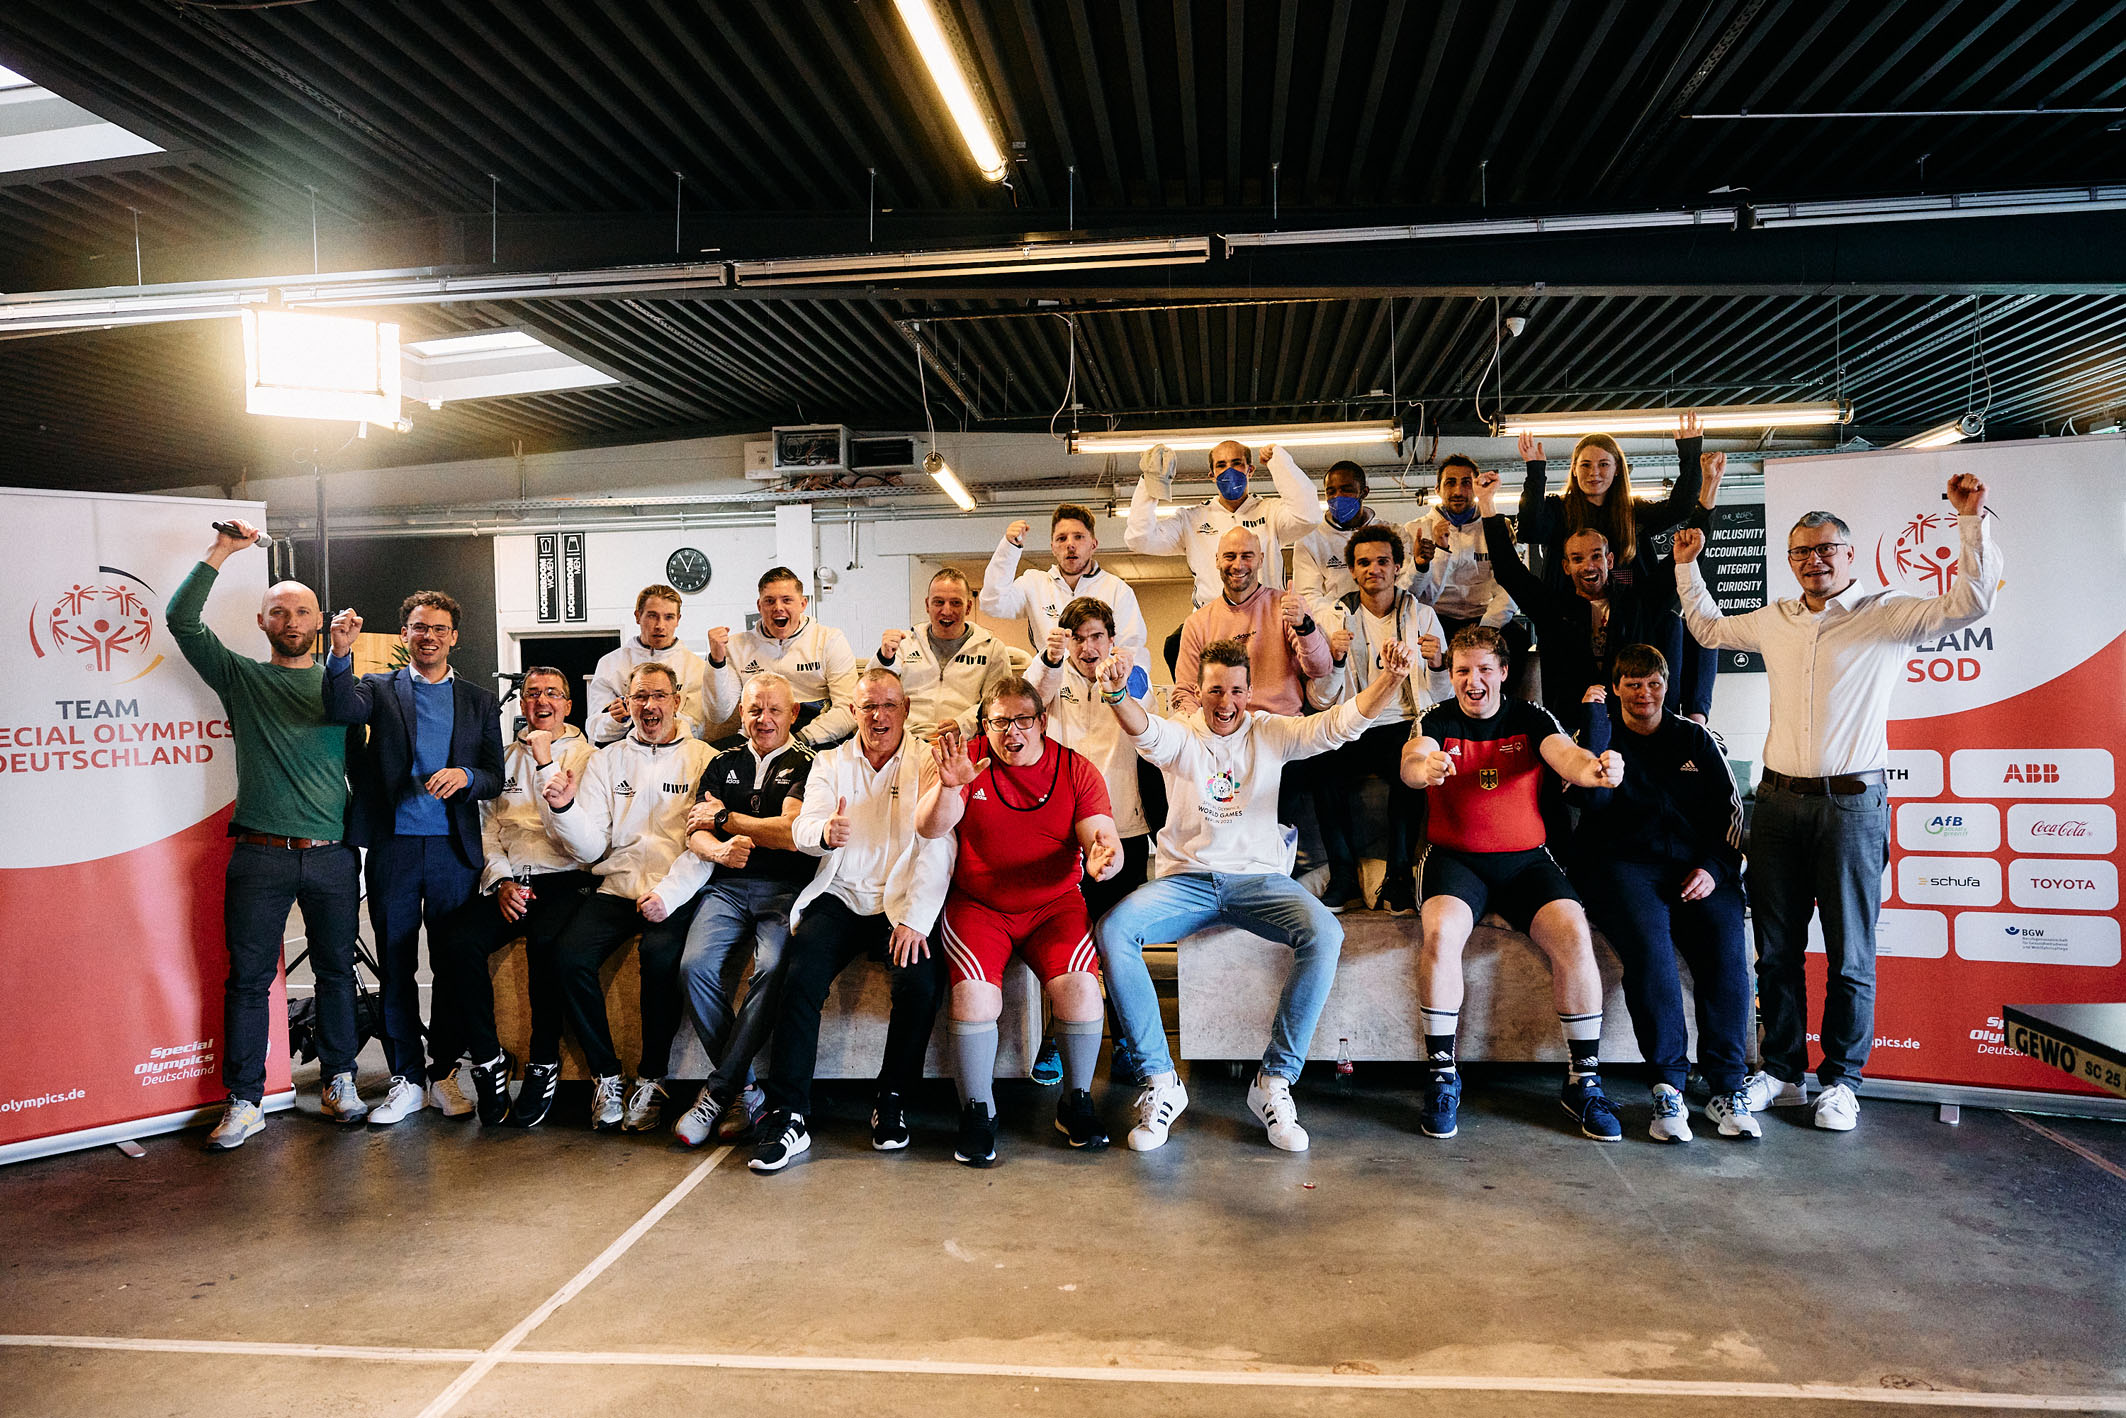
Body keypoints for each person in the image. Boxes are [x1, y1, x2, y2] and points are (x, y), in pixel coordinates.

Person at [1673, 472, 2000, 1132]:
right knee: (1776, 952)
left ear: (1849, 555)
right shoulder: (1777, 619)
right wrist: (1686, 566)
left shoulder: (1887, 612)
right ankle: (1783, 1072)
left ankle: (1843, 1081)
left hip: (1852, 807)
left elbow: (1970, 602)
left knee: (1850, 957)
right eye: (1801, 552)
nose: (1813, 561)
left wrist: (1971, 521)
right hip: (1776, 805)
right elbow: (1705, 629)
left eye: (1825, 549)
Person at [1097, 635, 1418, 1154]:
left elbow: (1336, 726)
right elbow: (1145, 730)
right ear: (1199, 692)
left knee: (1326, 933)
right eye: (1215, 690)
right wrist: (1117, 695)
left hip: (1259, 882)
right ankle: (1160, 1080)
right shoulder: (1183, 735)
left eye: (1235, 691)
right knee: (1114, 929)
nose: (1225, 703)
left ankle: (1274, 1081)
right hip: (1187, 882)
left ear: (1249, 693)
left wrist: (1390, 680)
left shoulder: (1269, 732)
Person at [166, 521, 364, 1150]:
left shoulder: (342, 687)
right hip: (259, 856)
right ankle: (245, 1099)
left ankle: (339, 1079)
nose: (291, 619)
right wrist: (221, 551)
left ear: (319, 620)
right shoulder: (242, 678)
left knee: (336, 974)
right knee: (249, 981)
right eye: (279, 611)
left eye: (302, 610)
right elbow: (182, 622)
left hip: (332, 857)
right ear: (262, 622)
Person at [1399, 625, 1627, 1144]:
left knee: (1574, 933)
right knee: (1441, 934)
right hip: (1454, 861)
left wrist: (1595, 770)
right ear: (1452, 675)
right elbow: (1412, 761)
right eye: (1462, 670)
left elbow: (1566, 755)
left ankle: (1584, 1082)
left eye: (1484, 669)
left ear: (1503, 672)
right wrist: (1425, 766)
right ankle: (1442, 1075)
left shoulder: (1531, 716)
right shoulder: (1436, 719)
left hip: (1526, 863)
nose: (1472, 680)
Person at [749, 669, 955, 1174]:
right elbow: (804, 825)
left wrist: (916, 921)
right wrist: (825, 832)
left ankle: (892, 1098)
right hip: (840, 895)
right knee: (798, 977)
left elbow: (939, 844)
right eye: (868, 707)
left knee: (922, 982)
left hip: (899, 901)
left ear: (906, 709)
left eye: (888, 706)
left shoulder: (928, 762)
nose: (878, 717)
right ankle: (790, 1113)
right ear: (854, 712)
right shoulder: (830, 761)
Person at [916, 680, 1124, 1165]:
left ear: (1042, 722)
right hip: (980, 906)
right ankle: (978, 1112)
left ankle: (1076, 1102)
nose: (1012, 732)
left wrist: (1105, 858)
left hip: (1054, 905)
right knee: (974, 997)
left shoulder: (1076, 769)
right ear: (985, 725)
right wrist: (950, 786)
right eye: (999, 722)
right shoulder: (967, 761)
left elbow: (1102, 836)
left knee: (1081, 990)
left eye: (1023, 720)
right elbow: (929, 826)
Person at [324, 592, 504, 1128]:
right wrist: (340, 653)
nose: (430, 636)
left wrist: (466, 776)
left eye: (440, 628)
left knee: (451, 966)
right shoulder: (378, 688)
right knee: (397, 965)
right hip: (394, 847)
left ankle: (443, 1072)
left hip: (454, 851)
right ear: (405, 633)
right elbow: (340, 709)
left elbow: (494, 774)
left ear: (454, 637)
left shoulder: (478, 700)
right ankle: (405, 1077)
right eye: (420, 627)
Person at [1568, 645, 1754, 1142]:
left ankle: (1727, 1086)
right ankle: (1667, 1085)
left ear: (1666, 686)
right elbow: (1589, 803)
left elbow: (1731, 813)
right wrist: (1596, 728)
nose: (1643, 693)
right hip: (1622, 868)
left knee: (1726, 950)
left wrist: (1714, 868)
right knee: (1650, 954)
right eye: (1632, 684)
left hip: (1698, 868)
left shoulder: (1695, 738)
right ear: (1616, 688)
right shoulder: (1596, 738)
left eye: (1652, 683)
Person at [539, 661, 717, 1133]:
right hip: (617, 886)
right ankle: (606, 1075)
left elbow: (705, 847)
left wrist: (668, 895)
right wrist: (564, 809)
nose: (649, 706)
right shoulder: (606, 759)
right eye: (640, 697)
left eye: (658, 696)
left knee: (660, 959)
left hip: (675, 890)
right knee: (568, 957)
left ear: (677, 701)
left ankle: (653, 1078)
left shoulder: (704, 758)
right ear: (628, 702)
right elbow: (590, 847)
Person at [643, 674, 816, 1148]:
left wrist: (727, 819)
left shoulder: (807, 763)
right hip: (725, 890)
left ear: (793, 714)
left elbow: (790, 833)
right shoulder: (722, 763)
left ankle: (717, 1091)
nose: (764, 719)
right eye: (755, 709)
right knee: (693, 967)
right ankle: (745, 1090)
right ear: (741, 713)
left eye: (774, 710)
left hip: (785, 891)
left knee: (774, 968)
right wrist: (719, 849)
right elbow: (696, 831)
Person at [425, 666, 599, 1128]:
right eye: (532, 693)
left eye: (552, 693)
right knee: (456, 941)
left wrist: (546, 766)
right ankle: (488, 1059)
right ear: (521, 705)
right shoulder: (501, 759)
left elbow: (585, 845)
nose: (542, 701)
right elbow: (488, 831)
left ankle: (543, 1061)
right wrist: (501, 881)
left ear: (568, 705)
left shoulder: (589, 759)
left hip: (565, 879)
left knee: (546, 946)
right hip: (511, 882)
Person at [1025, 596, 1158, 1087]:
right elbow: (1029, 700)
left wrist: (1119, 682)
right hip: (1061, 833)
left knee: (1120, 940)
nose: (1087, 647)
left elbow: (1143, 710)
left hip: (1124, 828)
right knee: (1064, 942)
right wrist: (1049, 658)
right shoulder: (1051, 674)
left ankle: (1126, 1042)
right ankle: (1054, 1040)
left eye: (1096, 636)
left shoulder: (1131, 673)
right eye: (1078, 638)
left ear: (1111, 639)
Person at [1479, 469, 1699, 727]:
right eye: (1577, 559)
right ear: (1566, 566)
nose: (1588, 566)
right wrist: (1487, 504)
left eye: (1596, 556)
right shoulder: (1552, 608)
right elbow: (1509, 571)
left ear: (1610, 561)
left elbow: (1676, 569)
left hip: (1632, 724)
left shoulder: (1636, 603)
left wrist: (1705, 508)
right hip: (1571, 724)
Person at [1517, 419, 1707, 714]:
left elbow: (1680, 508)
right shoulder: (1559, 510)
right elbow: (1529, 527)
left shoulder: (1631, 511)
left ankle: (1678, 715)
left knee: (1677, 624)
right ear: (1574, 470)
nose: (1594, 472)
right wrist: (1535, 469)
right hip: (1570, 619)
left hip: (1627, 622)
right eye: (1585, 465)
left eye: (1603, 464)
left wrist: (1690, 453)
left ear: (1617, 469)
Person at [1306, 524, 1449, 916]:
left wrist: (1439, 663)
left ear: (1398, 566)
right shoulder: (1334, 618)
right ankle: (1344, 877)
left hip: (1404, 722)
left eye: (1383, 561)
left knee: (1410, 770)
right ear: (1352, 570)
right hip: (1353, 723)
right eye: (1364, 562)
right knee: (1320, 767)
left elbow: (1443, 698)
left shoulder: (1423, 616)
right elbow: (1321, 698)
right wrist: (1335, 660)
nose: (1374, 569)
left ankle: (1399, 879)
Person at [1125, 438, 1324, 612]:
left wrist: (1280, 463)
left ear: (1250, 470)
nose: (1229, 471)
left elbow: (1309, 516)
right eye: (1221, 465)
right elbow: (1139, 539)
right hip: (1212, 625)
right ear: (1212, 475)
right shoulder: (1191, 519)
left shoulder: (1271, 512)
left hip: (1267, 620)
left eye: (1237, 463)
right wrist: (1151, 483)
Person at [1171, 527, 1332, 717]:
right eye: (1230, 556)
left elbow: (1321, 669)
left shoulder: (1289, 607)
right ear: (1217, 560)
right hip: (1225, 729)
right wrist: (1192, 726)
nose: (1238, 565)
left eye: (1247, 556)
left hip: (1283, 726)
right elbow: (1185, 691)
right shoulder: (1197, 623)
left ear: (1261, 560)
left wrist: (1303, 626)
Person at [981, 502, 1149, 671]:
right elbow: (992, 603)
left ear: (1093, 545)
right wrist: (1009, 549)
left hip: (1102, 683)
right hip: (1049, 681)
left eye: (1079, 537)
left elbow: (1132, 652)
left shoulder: (1117, 590)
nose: (1070, 545)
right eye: (1061, 538)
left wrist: (1115, 684)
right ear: (1053, 548)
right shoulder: (1034, 583)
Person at [703, 567, 859, 746]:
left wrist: (800, 740)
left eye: (787, 600)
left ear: (803, 604)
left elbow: (849, 709)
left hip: (814, 738)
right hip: (757, 738)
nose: (778, 608)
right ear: (759, 606)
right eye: (769, 601)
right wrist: (716, 662)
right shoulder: (736, 646)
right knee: (707, 758)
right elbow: (718, 715)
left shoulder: (829, 639)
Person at [874, 567, 1017, 741]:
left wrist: (964, 725)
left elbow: (998, 703)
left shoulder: (992, 649)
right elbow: (872, 692)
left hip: (963, 743)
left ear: (968, 607)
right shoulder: (904, 644)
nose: (947, 611)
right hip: (907, 741)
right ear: (927, 605)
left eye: (956, 603)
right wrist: (884, 658)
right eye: (939, 602)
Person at [1405, 455, 1514, 644]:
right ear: (1437, 489)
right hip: (1435, 617)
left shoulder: (1498, 527)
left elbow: (1510, 585)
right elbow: (1411, 594)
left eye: (1466, 483)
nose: (1458, 491)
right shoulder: (1415, 530)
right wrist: (1437, 553)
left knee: (1518, 640)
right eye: (1450, 483)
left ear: (1476, 487)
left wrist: (1488, 626)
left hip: (1483, 616)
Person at [587, 584, 708, 744]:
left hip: (676, 753)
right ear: (638, 616)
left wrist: (658, 711)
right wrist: (616, 720)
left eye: (669, 617)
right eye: (652, 616)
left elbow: (697, 730)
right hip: (624, 755)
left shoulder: (696, 667)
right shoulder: (610, 664)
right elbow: (595, 729)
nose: (660, 626)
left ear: (678, 620)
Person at [1292, 460, 1406, 621]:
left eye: (1346, 490)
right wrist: (1338, 623)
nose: (1338, 497)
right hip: (1334, 625)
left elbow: (1403, 583)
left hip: (1385, 619)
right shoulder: (1310, 539)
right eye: (1331, 491)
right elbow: (1308, 595)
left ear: (1364, 492)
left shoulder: (1392, 534)